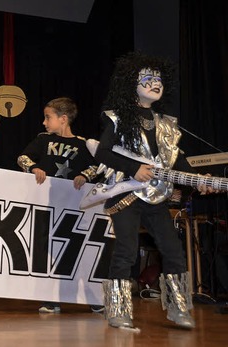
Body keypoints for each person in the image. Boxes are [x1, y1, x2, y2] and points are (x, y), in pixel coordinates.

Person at [94, 52, 209, 329]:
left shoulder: (167, 124)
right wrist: (133, 168)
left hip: (156, 196)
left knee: (173, 250)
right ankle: (118, 310)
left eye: (158, 78)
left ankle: (179, 309)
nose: (155, 82)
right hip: (127, 193)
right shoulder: (116, 117)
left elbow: (177, 162)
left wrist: (198, 179)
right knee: (126, 250)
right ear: (130, 83)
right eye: (147, 78)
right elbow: (102, 152)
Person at [16, 97, 101, 314]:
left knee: (79, 249)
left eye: (48, 117)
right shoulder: (43, 140)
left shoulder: (83, 144)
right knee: (49, 251)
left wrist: (85, 174)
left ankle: (94, 297)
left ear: (63, 119)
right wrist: (33, 167)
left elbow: (98, 167)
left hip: (74, 208)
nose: (44, 122)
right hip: (48, 205)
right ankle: (51, 297)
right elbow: (22, 157)